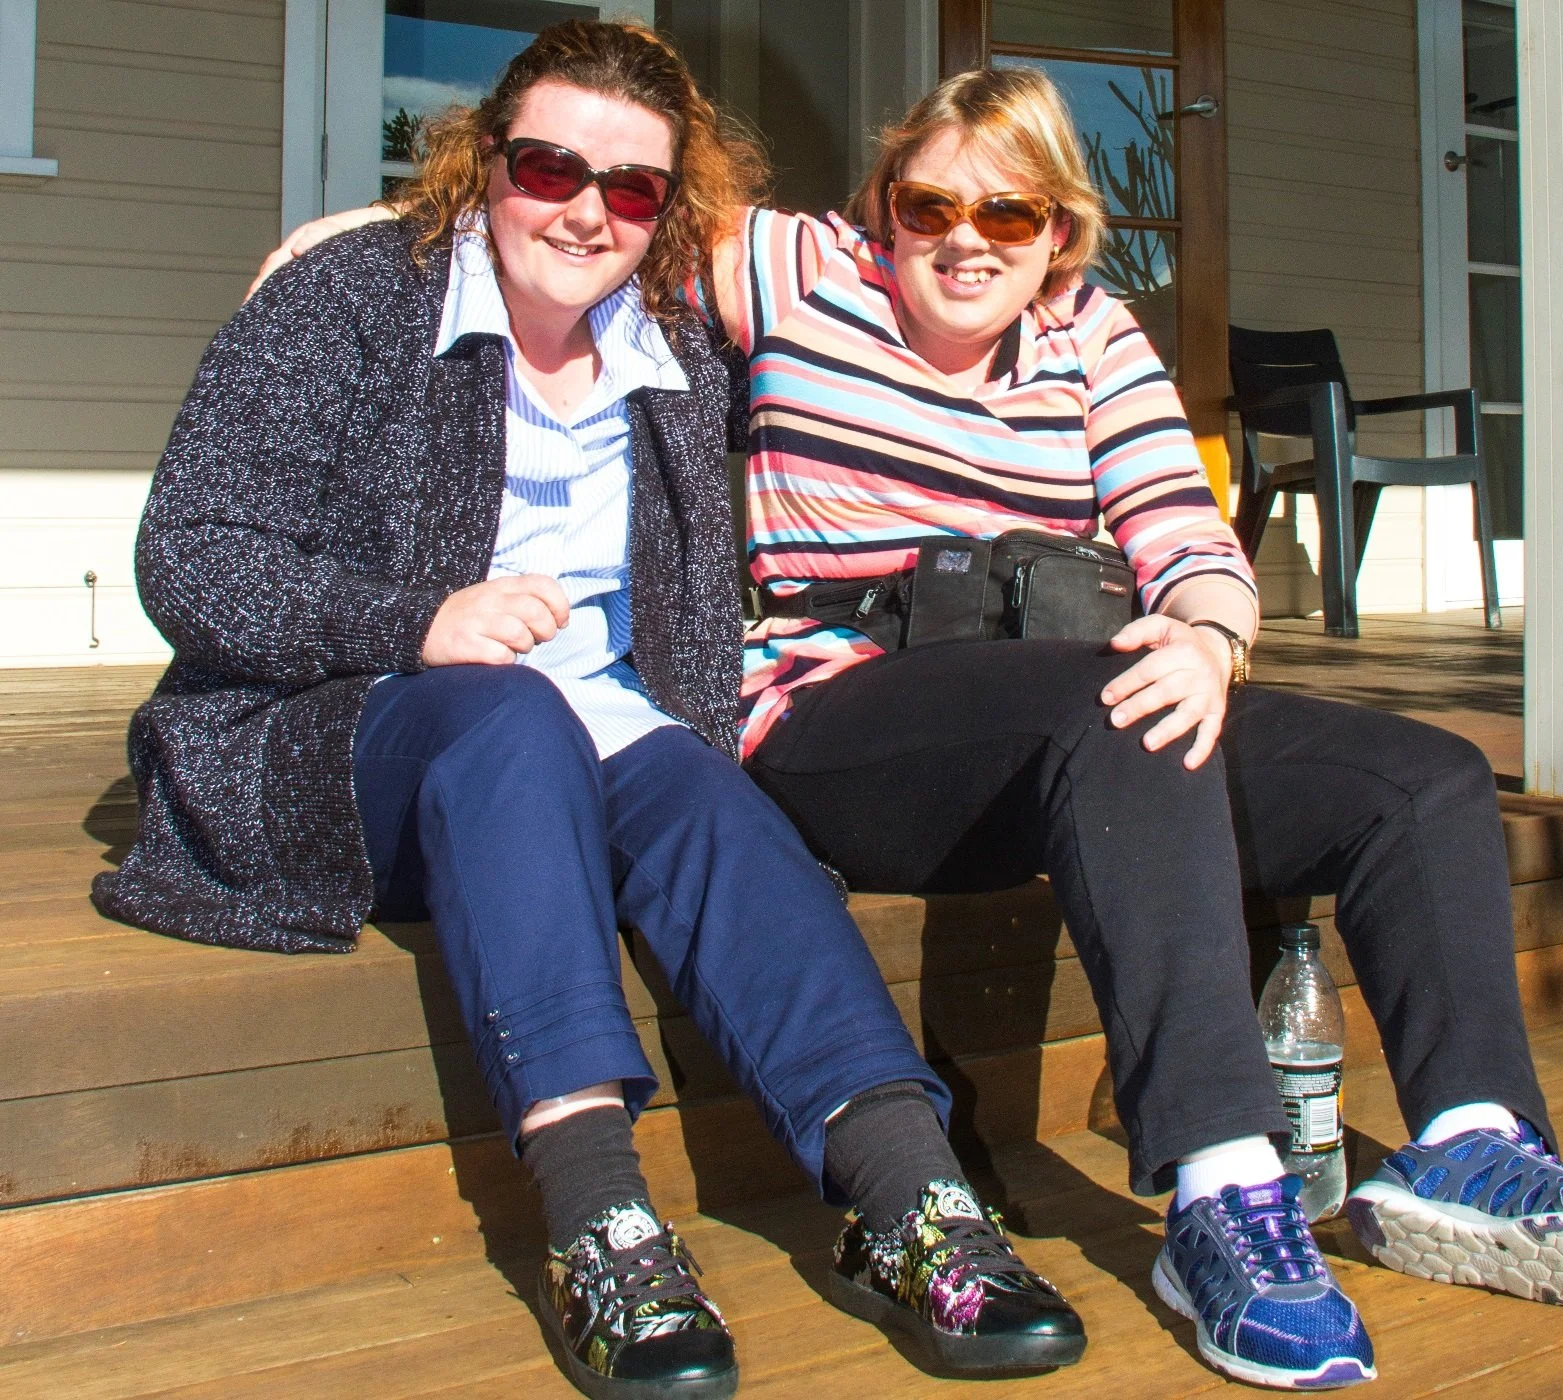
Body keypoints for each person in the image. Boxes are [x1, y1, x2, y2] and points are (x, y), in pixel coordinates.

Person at [260, 64, 1563, 1394]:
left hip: (1065, 719)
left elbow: (1185, 531)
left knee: (1421, 777)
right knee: (1109, 705)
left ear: (1061, 231)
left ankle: (1472, 1146)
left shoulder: (1097, 336)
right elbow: (581, 209)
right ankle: (1222, 1188)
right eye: (928, 203)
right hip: (835, 720)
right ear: (882, 205)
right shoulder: (802, 266)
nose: (962, 238)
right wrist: (371, 242)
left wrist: (1209, 635)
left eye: (1005, 210)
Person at [102, 25, 1087, 1400]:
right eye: (547, 166)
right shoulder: (353, 301)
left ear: (668, 209)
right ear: (480, 162)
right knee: (506, 718)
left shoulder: (680, 331)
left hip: (602, 725)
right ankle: (599, 1222)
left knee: (700, 790)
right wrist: (415, 621)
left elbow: (904, 298)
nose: (584, 208)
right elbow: (192, 551)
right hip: (348, 725)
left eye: (630, 187)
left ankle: (915, 1201)